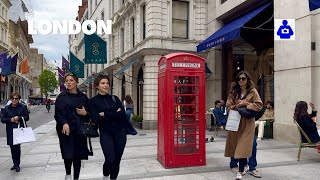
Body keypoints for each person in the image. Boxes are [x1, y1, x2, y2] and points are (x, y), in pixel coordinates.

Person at [225, 70, 263, 180]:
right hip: (235, 121)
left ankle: (251, 168)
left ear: (247, 80)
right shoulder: (233, 92)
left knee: (250, 144)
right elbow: (228, 107)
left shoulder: (253, 91)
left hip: (247, 122)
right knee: (235, 144)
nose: (241, 80)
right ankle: (234, 165)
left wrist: (247, 104)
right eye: (239, 79)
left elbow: (259, 105)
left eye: (243, 78)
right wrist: (237, 106)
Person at [87, 74, 127, 180]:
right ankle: (105, 175)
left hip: (120, 133)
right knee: (110, 159)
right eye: (103, 83)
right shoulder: (93, 101)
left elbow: (123, 115)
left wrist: (105, 114)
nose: (106, 85)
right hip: (106, 133)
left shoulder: (115, 98)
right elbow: (96, 118)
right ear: (97, 86)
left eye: (107, 83)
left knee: (117, 160)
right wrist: (114, 113)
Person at [54, 73, 91, 180]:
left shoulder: (83, 97)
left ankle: (76, 178)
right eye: (67, 81)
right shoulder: (61, 97)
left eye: (71, 80)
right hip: (66, 131)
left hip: (80, 130)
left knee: (78, 156)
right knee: (67, 154)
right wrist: (64, 123)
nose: (69, 83)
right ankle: (68, 174)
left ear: (76, 82)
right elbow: (58, 114)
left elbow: (90, 113)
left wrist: (85, 113)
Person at [1, 92, 29, 172]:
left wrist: (19, 118)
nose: (14, 100)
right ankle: (15, 163)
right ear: (10, 99)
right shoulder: (7, 108)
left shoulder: (23, 107)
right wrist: (11, 119)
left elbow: (27, 117)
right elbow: (2, 119)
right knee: (12, 147)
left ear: (18, 99)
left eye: (16, 98)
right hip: (10, 130)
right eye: (12, 98)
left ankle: (17, 165)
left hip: (19, 130)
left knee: (17, 147)